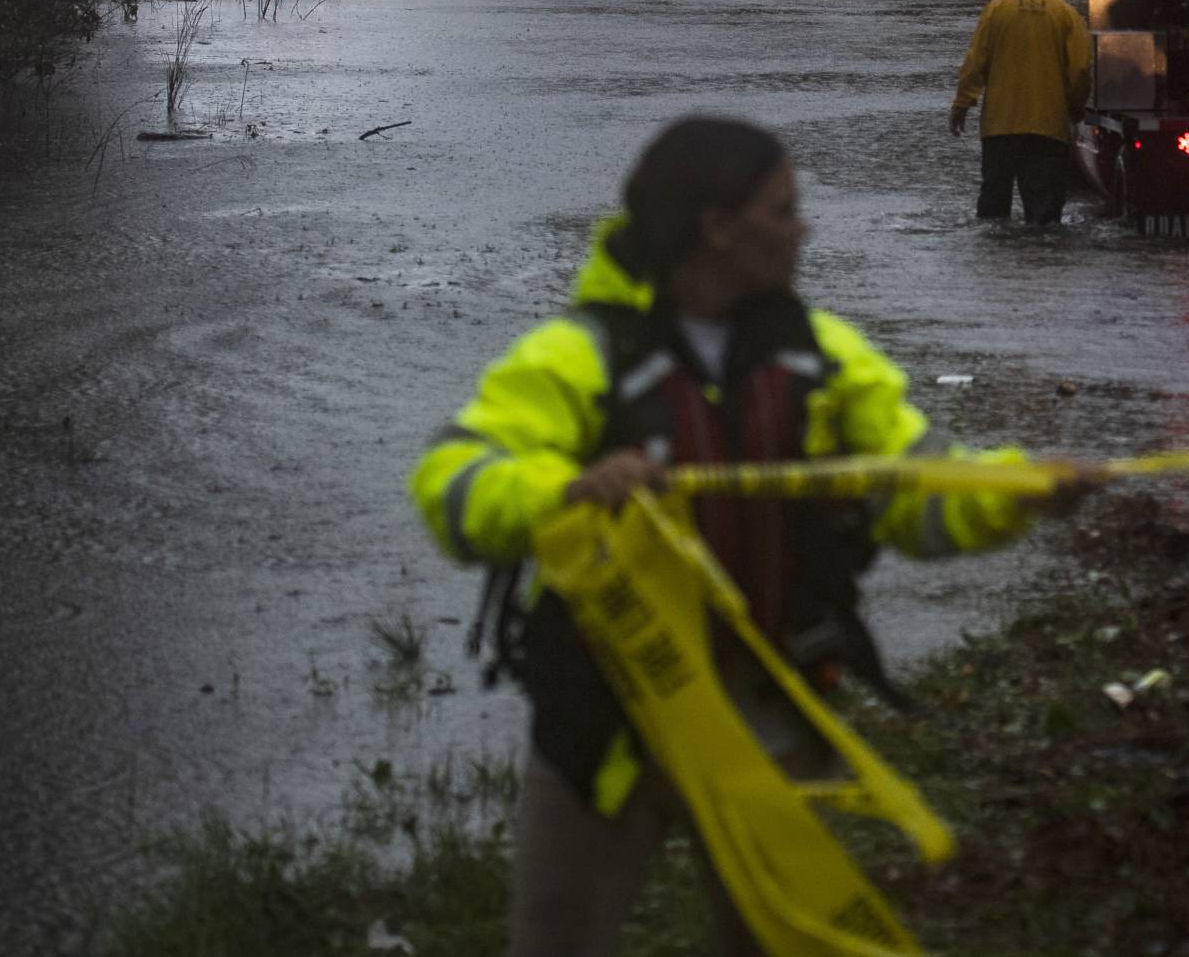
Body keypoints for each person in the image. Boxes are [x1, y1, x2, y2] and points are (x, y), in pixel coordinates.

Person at [410, 117, 1098, 957]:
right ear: (717, 228)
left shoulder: (825, 360)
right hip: (609, 726)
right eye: (783, 211)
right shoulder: (577, 356)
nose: (803, 229)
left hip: (775, 725)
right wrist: (564, 492)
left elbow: (919, 500)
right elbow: (452, 485)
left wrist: (1017, 492)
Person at [948, 0, 1092, 224]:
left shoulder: (997, 9)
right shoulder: (1067, 14)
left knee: (993, 205)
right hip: (1048, 127)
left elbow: (974, 63)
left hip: (999, 126)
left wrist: (961, 105)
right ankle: (1039, 255)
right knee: (1044, 212)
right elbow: (1081, 70)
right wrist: (1075, 110)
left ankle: (996, 256)